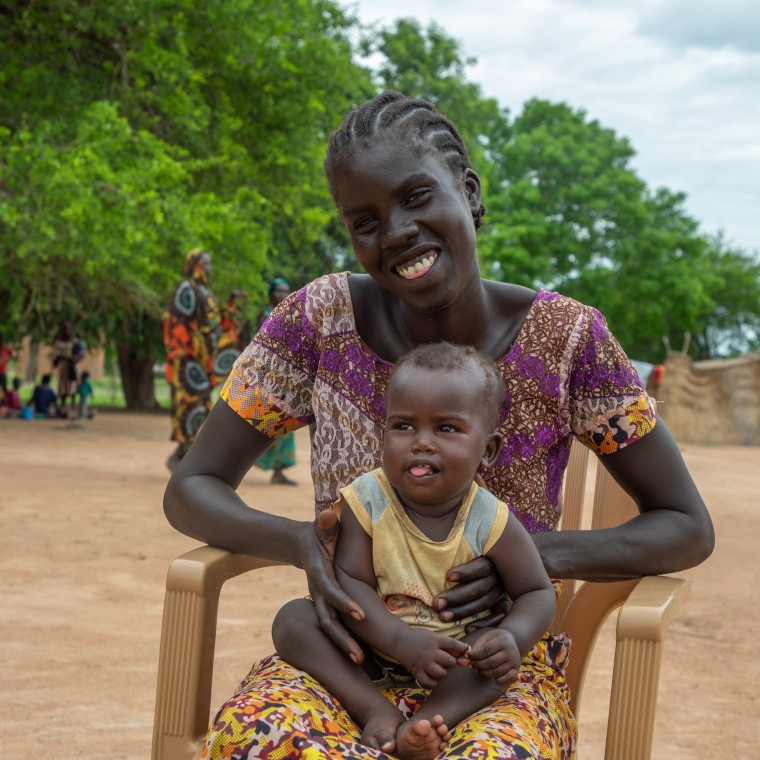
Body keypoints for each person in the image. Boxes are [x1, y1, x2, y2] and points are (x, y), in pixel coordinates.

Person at [164, 91, 714, 759]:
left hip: (492, 669)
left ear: (469, 191)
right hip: (348, 658)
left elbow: (686, 525)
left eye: (417, 197)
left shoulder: (568, 341)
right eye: (364, 221)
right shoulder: (317, 324)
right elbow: (192, 486)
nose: (395, 232)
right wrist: (301, 543)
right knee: (266, 739)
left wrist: (532, 557)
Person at [273, 342, 556, 759]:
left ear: (488, 450)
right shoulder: (367, 499)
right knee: (294, 621)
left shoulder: (490, 519)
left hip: (453, 661)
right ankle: (375, 710)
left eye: (446, 429)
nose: (422, 443)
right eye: (403, 426)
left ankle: (423, 727)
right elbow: (350, 582)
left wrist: (510, 638)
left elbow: (536, 590)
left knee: (492, 669)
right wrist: (404, 643)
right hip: (369, 650)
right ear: (383, 433)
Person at [162, 248, 222, 472]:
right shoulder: (187, 288)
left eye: (209, 264)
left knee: (201, 405)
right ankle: (179, 456)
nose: (208, 268)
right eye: (204, 264)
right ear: (194, 265)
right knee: (189, 404)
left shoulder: (205, 291)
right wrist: (192, 349)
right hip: (187, 361)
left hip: (201, 362)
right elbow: (177, 324)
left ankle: (183, 457)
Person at [253, 278, 298, 485]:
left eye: (286, 291)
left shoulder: (293, 315)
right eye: (278, 291)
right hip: (268, 376)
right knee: (265, 420)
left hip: (287, 377)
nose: (282, 294)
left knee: (285, 422)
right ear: (271, 294)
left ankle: (279, 470)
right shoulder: (265, 315)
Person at [52, 321, 77, 416]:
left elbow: (78, 353)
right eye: (65, 329)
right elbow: (56, 355)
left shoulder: (73, 341)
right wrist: (57, 361)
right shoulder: (59, 342)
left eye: (68, 329)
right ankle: (63, 404)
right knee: (63, 384)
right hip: (63, 366)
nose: (67, 331)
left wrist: (73, 359)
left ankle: (73, 404)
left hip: (71, 365)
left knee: (72, 383)